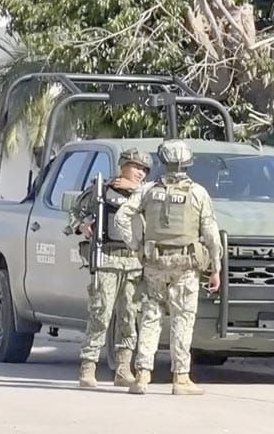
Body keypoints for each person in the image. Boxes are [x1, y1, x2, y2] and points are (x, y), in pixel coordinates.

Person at [114, 139, 222, 395]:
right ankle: (181, 378)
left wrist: (136, 247)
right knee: (182, 319)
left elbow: (122, 217)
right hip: (185, 266)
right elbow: (211, 235)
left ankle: (142, 375)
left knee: (151, 317)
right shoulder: (198, 193)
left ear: (163, 162)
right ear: (188, 163)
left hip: (154, 263)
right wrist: (216, 267)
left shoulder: (148, 190)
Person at [68, 148, 152, 388]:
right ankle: (88, 367)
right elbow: (73, 215)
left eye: (144, 169)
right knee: (101, 313)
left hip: (134, 261)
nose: (140, 173)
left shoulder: (145, 195)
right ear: (123, 165)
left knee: (129, 316)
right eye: (136, 167)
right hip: (107, 258)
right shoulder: (101, 191)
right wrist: (82, 226)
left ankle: (124, 368)